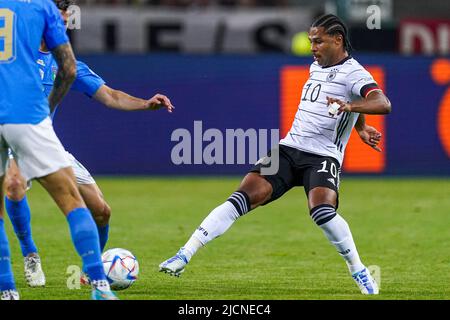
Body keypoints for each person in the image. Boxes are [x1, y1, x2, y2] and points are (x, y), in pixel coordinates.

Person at [159, 14, 391, 295]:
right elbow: (345, 100)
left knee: (322, 211)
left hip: (323, 157)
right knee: (241, 197)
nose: (312, 47)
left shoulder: (355, 72)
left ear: (337, 39)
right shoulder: (315, 67)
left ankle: (358, 270)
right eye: (310, 42)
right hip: (288, 149)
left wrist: (353, 113)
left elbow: (381, 102)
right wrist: (360, 128)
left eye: (318, 41)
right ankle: (184, 255)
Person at [3, 0, 174, 289]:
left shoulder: (66, 63)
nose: (60, 24)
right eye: (57, 18)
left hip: (45, 141)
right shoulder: (16, 54)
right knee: (15, 183)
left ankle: (89, 271)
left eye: (65, 19)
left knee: (101, 210)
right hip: (12, 136)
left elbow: (110, 96)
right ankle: (30, 253)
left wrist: (146, 103)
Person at [0, 0, 119, 300]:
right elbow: (67, 68)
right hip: (24, 114)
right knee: (69, 199)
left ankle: (7, 290)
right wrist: (46, 107)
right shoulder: (42, 9)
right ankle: (99, 286)